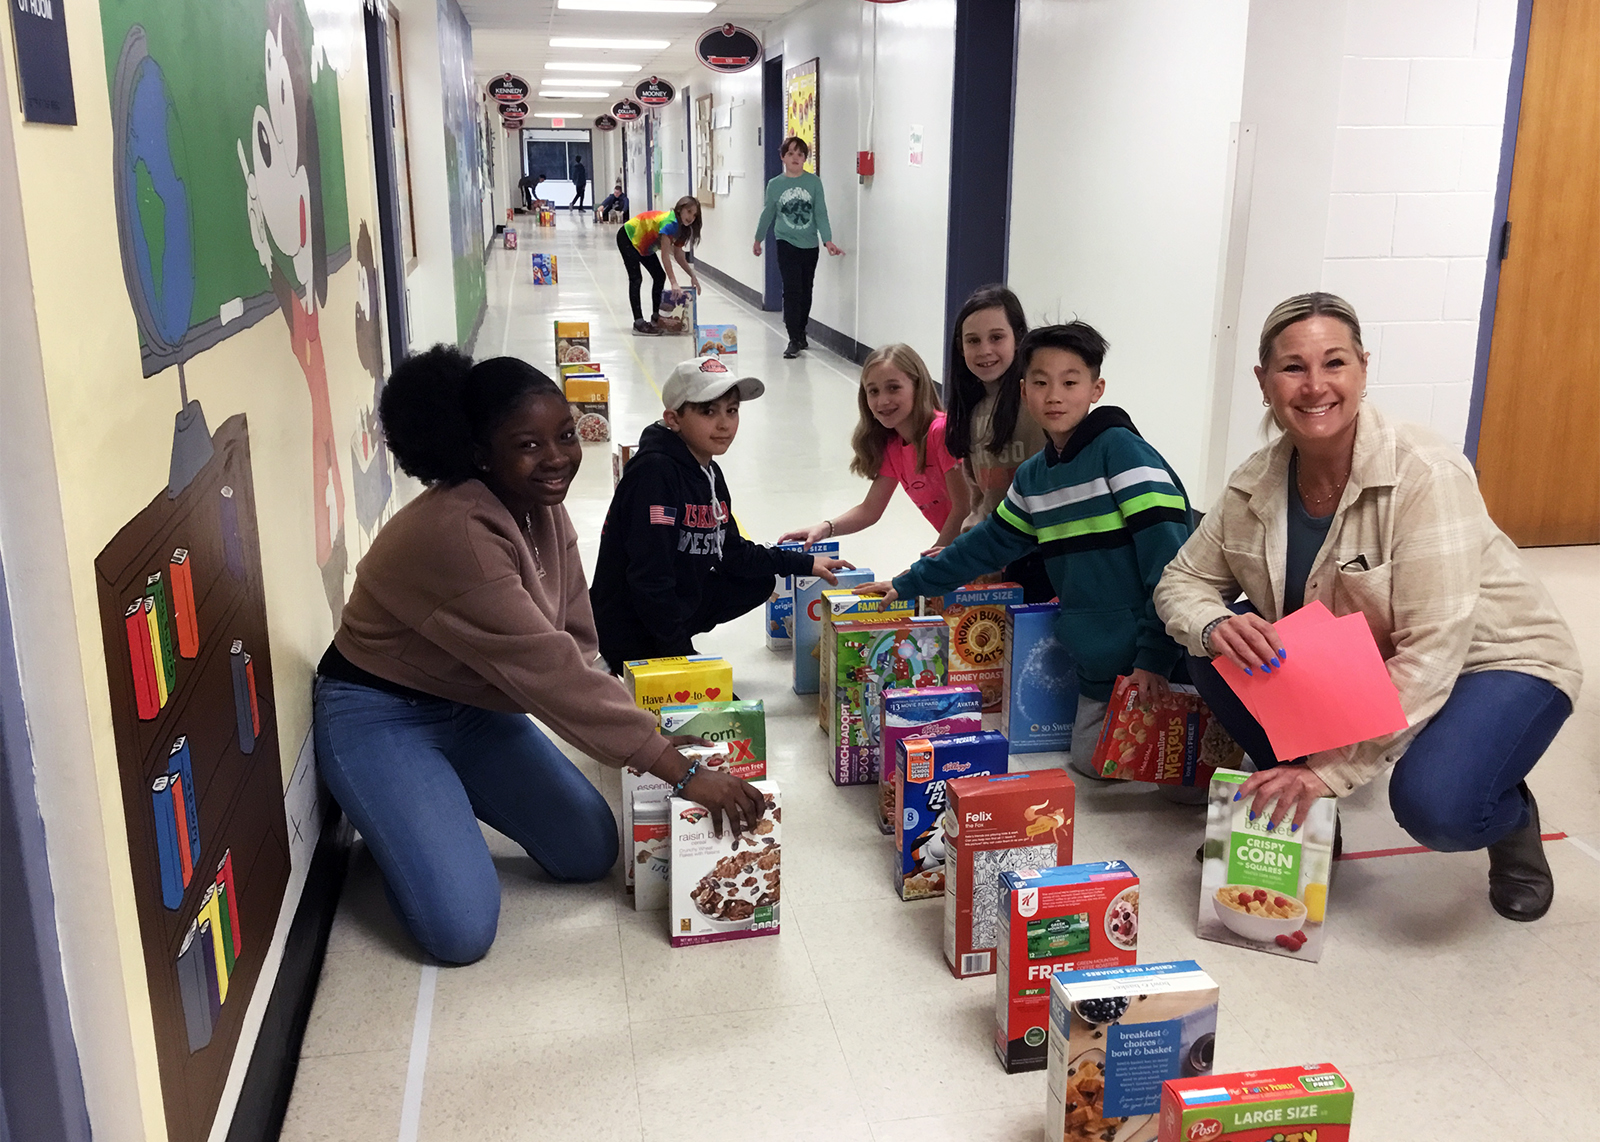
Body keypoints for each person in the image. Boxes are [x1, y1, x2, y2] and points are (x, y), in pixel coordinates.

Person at [313, 347, 767, 964]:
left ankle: (438, 794)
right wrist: (685, 773)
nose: (557, 458)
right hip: (379, 711)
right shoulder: (459, 533)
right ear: (479, 451)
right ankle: (406, 804)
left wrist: (646, 741)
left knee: (588, 852)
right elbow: (552, 676)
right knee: (461, 934)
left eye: (565, 435)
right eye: (527, 444)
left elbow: (576, 645)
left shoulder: (542, 511)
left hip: (473, 704)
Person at [1153, 292, 1582, 922]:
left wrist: (1331, 772)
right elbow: (1180, 581)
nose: (1315, 386)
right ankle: (1300, 809)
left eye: (1335, 363)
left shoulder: (1425, 472)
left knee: (1437, 806)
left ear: (1362, 368)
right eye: (1293, 367)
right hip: (1375, 665)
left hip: (1491, 659)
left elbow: (1435, 652)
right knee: (1215, 651)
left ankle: (1507, 813)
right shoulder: (1255, 481)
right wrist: (1215, 622)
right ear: (1264, 381)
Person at [861, 323, 1195, 773]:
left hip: (1155, 661)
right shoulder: (1035, 477)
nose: (1054, 395)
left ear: (1096, 388)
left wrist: (1156, 658)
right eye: (1040, 382)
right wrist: (907, 584)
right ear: (1023, 390)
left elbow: (1172, 566)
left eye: (1070, 382)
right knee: (1091, 764)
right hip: (1098, 665)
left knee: (1179, 781)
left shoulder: (1123, 454)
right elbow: (985, 545)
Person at [590, 355, 853, 672]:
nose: (724, 423)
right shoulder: (654, 474)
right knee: (729, 720)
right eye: (708, 411)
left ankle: (671, 640)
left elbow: (732, 552)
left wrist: (804, 563)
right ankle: (629, 659)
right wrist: (684, 661)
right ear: (673, 418)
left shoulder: (708, 472)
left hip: (666, 607)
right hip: (629, 622)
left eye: (732, 410)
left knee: (757, 581)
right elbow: (650, 579)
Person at [778, 343, 970, 552]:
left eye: (894, 388)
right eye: (873, 391)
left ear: (917, 385)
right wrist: (824, 528)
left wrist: (931, 567)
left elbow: (964, 508)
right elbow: (870, 509)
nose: (883, 401)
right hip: (962, 552)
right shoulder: (894, 445)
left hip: (988, 551)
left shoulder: (941, 432)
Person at [942, 285, 1052, 601]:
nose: (984, 350)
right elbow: (981, 499)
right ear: (960, 348)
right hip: (992, 561)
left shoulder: (1038, 402)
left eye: (996, 337)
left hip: (1038, 563)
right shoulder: (971, 409)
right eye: (972, 340)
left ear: (1018, 337)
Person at [752, 136, 843, 359]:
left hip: (810, 245)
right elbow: (768, 213)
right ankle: (793, 338)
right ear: (783, 156)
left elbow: (820, 213)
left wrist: (827, 240)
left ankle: (801, 332)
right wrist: (758, 238)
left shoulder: (813, 183)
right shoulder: (775, 185)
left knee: (805, 290)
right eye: (791, 153)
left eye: (800, 154)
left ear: (805, 159)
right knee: (791, 291)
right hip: (785, 243)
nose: (795, 158)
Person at [617, 197, 702, 336]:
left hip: (644, 244)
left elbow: (679, 256)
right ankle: (638, 323)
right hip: (628, 237)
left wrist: (693, 276)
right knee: (636, 278)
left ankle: (656, 317)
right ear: (680, 209)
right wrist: (674, 282)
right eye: (689, 211)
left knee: (659, 276)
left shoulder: (683, 229)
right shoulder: (670, 223)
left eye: (694, 215)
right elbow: (665, 256)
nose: (691, 217)